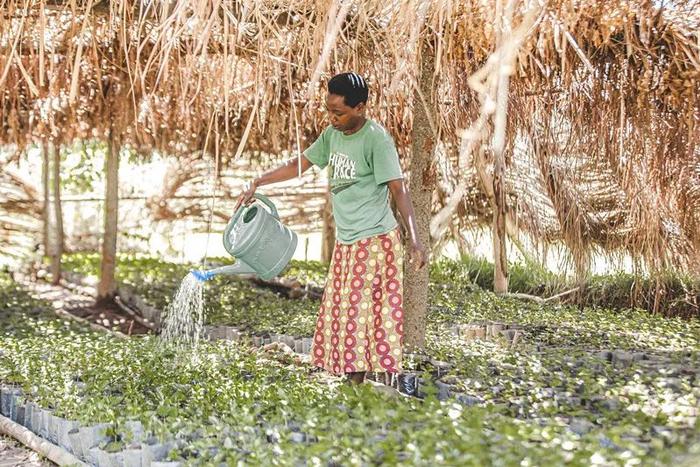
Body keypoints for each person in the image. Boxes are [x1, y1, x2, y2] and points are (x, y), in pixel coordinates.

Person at [235, 72, 426, 384]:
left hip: (375, 238)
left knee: (357, 312)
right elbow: (300, 164)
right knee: (341, 309)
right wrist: (259, 181)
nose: (332, 118)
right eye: (329, 110)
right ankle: (353, 382)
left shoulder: (377, 140)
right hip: (348, 239)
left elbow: (399, 190)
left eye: (338, 112)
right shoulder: (332, 135)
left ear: (360, 107)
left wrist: (416, 241)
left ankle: (355, 384)